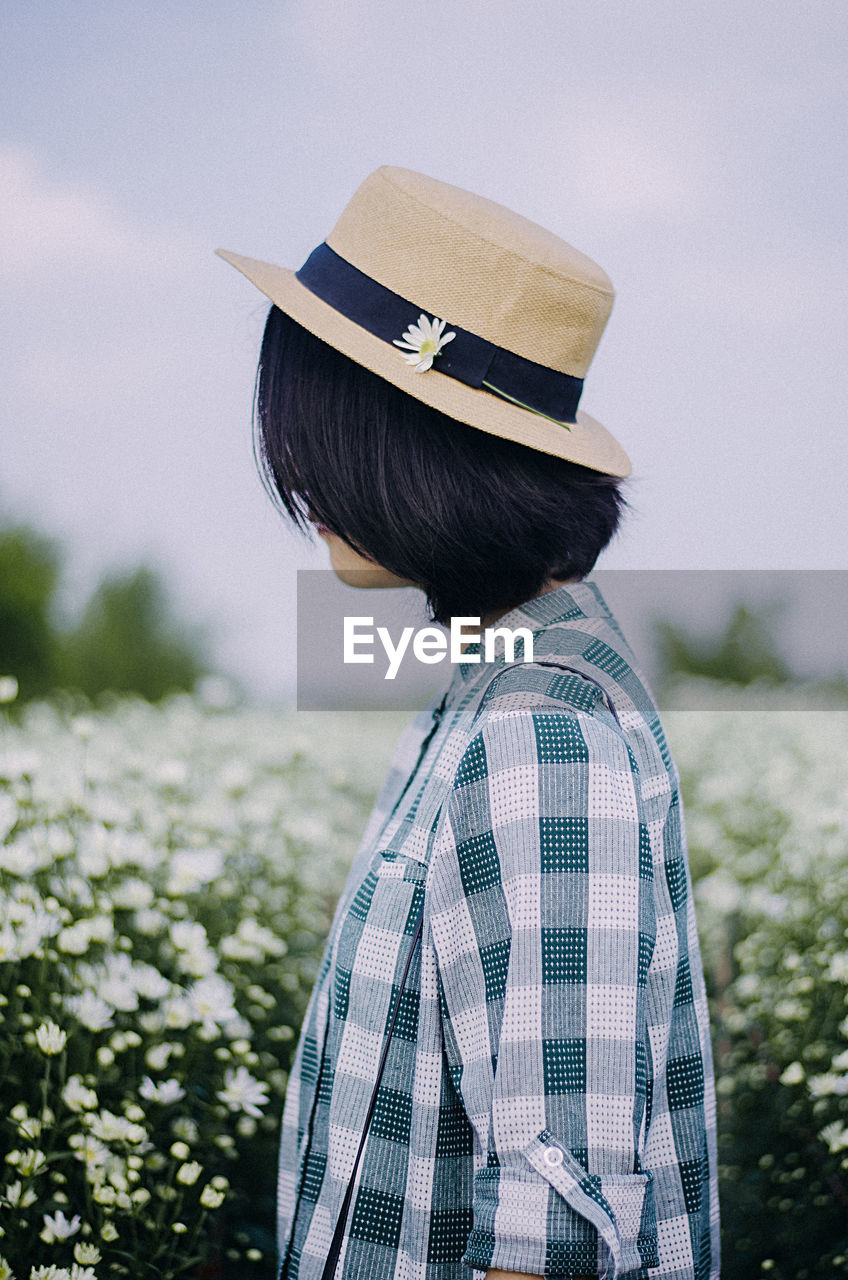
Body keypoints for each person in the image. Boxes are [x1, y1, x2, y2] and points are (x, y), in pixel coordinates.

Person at [217, 166, 720, 1280]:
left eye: (322, 427)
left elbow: (554, 1231)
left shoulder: (539, 733)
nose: (295, 471)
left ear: (418, 443)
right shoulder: (503, 675)